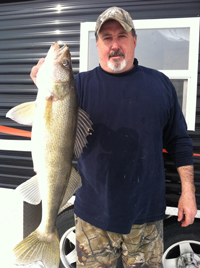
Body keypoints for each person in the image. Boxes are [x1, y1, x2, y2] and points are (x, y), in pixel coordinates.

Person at [30, 6, 197, 268]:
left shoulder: (160, 85)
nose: (115, 45)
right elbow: (53, 122)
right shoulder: (79, 86)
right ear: (97, 44)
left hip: (146, 218)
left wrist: (188, 191)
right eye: (107, 37)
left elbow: (179, 142)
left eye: (122, 36)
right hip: (91, 218)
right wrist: (41, 85)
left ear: (134, 40)